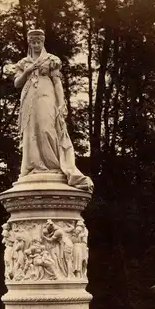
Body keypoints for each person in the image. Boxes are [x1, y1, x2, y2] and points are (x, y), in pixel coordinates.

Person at [14, 29, 93, 192]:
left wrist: (61, 102)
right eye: (33, 42)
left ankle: (53, 165)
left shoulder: (51, 60)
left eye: (39, 42)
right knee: (31, 131)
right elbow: (17, 83)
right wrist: (28, 71)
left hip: (46, 96)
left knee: (46, 129)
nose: (36, 45)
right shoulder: (23, 63)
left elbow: (57, 82)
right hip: (29, 99)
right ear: (29, 43)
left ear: (43, 43)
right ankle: (35, 165)